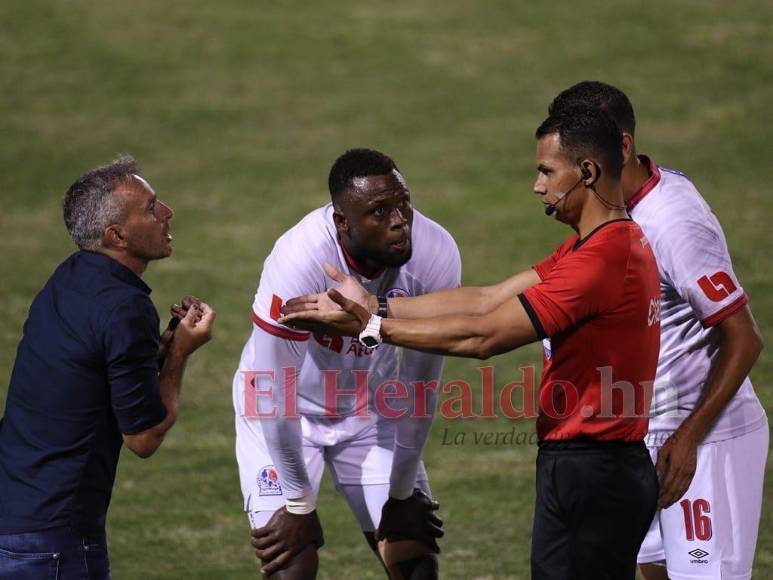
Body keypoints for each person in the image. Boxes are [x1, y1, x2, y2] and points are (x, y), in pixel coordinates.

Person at [280, 107, 662, 579]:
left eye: (546, 171)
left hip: (595, 470)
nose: (537, 186)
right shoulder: (598, 245)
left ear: (586, 172)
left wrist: (372, 328)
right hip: (590, 466)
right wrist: (375, 305)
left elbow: (485, 336)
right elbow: (486, 299)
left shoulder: (600, 260)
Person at [548, 81, 768, 580]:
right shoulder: (606, 211)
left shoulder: (672, 221)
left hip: (705, 443)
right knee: (651, 570)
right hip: (642, 438)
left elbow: (744, 336)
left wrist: (690, 437)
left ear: (623, 146)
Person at [233, 148, 459, 578]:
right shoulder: (297, 260)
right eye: (379, 211)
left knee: (416, 562)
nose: (399, 220)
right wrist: (298, 503)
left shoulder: (435, 254)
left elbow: (420, 385)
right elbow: (273, 392)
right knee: (291, 564)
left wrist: (402, 489)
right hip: (281, 415)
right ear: (342, 222)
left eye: (403, 203)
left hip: (371, 412)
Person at [0, 157, 215, 579]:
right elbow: (143, 437)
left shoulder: (70, 275)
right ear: (116, 235)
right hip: (52, 537)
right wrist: (180, 355)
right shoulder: (125, 307)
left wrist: (158, 350)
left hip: (13, 508)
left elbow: (91, 366)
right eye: (152, 208)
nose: (167, 213)